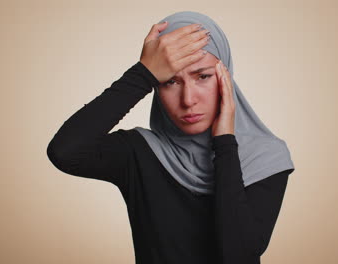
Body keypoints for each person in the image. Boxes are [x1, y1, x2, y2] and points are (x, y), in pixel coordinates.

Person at [47, 11, 295, 264]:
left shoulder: (265, 157)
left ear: (226, 76)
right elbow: (65, 152)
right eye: (170, 82)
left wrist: (225, 145)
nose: (188, 100)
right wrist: (143, 73)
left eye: (203, 76)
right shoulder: (141, 153)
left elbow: (238, 254)